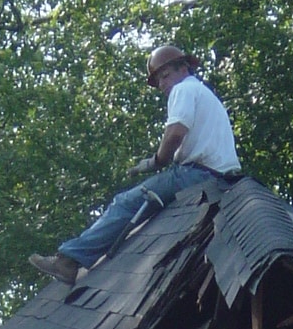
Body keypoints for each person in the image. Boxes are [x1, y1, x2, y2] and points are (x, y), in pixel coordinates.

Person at [29, 45, 241, 286]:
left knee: (126, 203)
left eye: (165, 76)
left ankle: (68, 261)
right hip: (218, 177)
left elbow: (175, 133)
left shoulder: (183, 89)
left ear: (183, 69)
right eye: (158, 81)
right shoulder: (205, 95)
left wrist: (155, 161)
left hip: (196, 175)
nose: (162, 85)